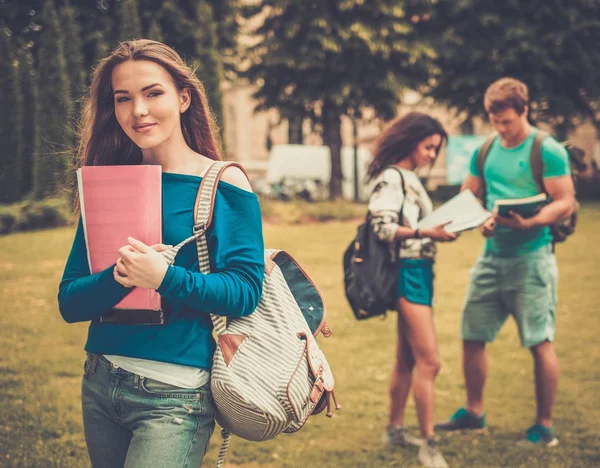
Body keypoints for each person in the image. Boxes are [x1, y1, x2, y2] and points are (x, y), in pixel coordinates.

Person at [57, 40, 265, 467]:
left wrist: (164, 278)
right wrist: (119, 276)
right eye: (123, 98)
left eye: (153, 93)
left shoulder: (225, 184)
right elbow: (69, 301)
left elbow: (245, 291)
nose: (139, 111)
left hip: (174, 396)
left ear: (183, 98)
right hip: (100, 382)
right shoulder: (106, 185)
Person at [436, 78, 574, 447]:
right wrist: (481, 218)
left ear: (524, 111)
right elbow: (469, 196)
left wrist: (531, 221)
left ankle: (544, 425)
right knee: (471, 336)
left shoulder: (547, 149)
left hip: (532, 259)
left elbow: (565, 202)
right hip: (491, 258)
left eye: (507, 122)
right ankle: (474, 412)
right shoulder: (485, 151)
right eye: (495, 122)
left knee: (539, 341)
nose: (501, 129)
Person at [367, 112, 457, 468]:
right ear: (411, 142)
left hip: (420, 271)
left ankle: (394, 430)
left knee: (406, 360)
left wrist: (436, 230)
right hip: (408, 274)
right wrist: (426, 233)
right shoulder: (393, 178)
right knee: (429, 361)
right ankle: (429, 444)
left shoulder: (408, 178)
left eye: (437, 149)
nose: (433, 154)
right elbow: (382, 228)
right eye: (429, 146)